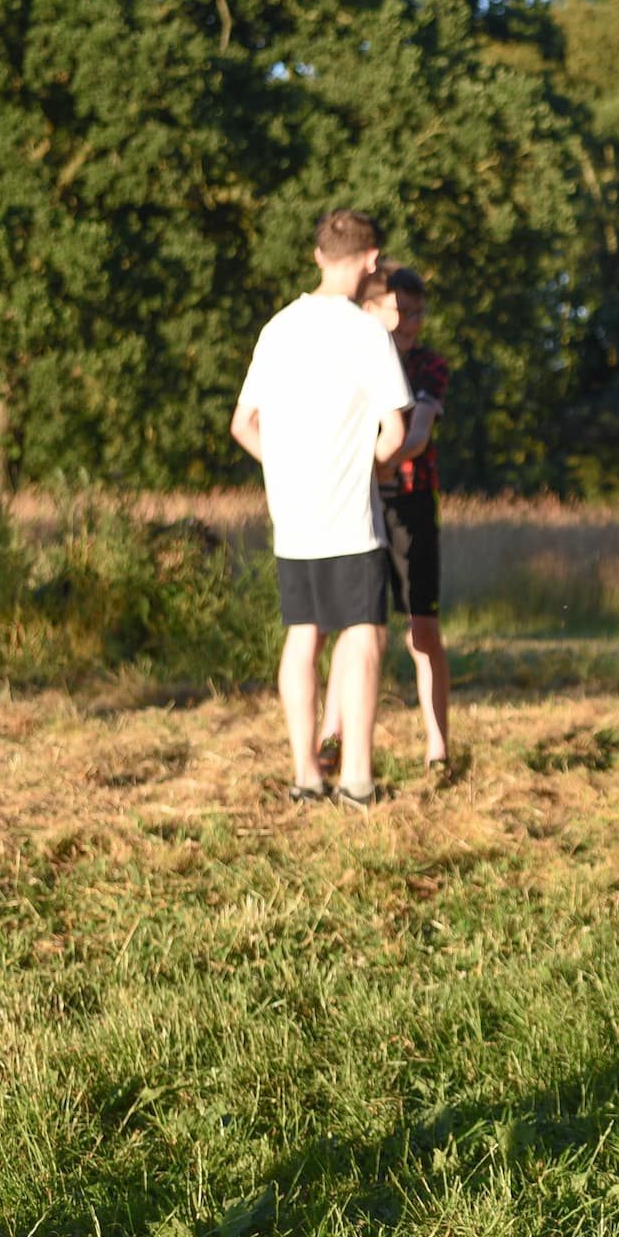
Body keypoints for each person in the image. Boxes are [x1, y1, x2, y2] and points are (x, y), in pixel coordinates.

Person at [230, 210, 413, 808]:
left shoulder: (276, 328)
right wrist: (373, 470)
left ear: (316, 256)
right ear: (370, 259)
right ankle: (357, 780)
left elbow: (243, 425)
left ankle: (306, 776)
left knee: (302, 637)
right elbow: (393, 432)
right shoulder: (367, 333)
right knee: (362, 637)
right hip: (349, 518)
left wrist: (283, 469)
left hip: (293, 518)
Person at [320, 264, 452, 776]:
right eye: (401, 310)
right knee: (353, 626)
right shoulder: (352, 361)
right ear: (373, 311)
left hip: (412, 506)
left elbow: (416, 435)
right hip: (358, 505)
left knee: (422, 629)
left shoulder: (429, 367)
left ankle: (438, 747)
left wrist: (369, 464)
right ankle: (332, 736)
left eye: (418, 311)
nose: (411, 321)